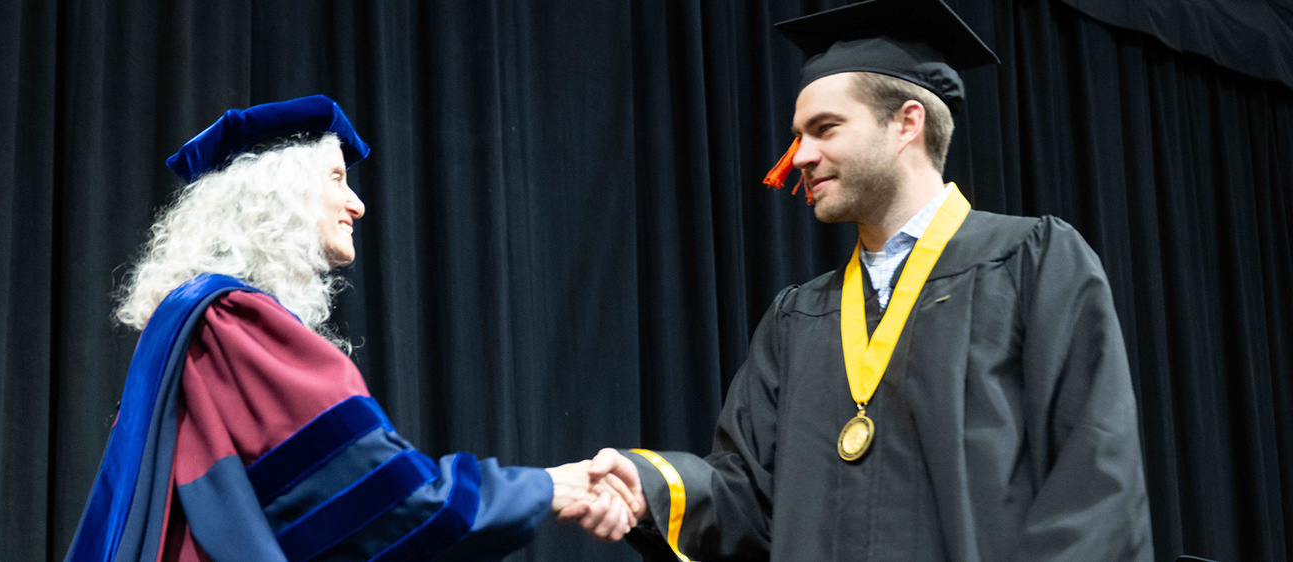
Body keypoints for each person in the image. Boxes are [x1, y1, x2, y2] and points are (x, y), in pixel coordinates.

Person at [572, 0, 1154, 559]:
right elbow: (748, 499)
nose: (799, 155)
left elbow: (1093, 479)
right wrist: (648, 485)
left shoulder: (1031, 262)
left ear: (906, 123)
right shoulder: (797, 318)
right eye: (800, 135)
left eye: (825, 128)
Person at [64, 95, 640, 562]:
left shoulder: (189, 325)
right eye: (337, 178)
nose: (357, 204)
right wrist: (543, 489)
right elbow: (382, 504)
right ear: (276, 194)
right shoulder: (235, 321)